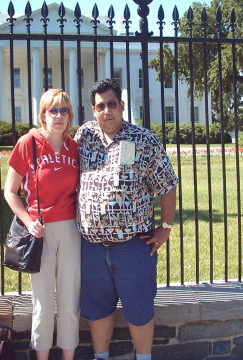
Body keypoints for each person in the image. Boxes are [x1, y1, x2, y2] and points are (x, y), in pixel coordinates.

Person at [74, 78, 178, 360]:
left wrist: (165, 229)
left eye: (111, 104)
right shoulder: (84, 136)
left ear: (121, 105)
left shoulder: (143, 139)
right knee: (97, 309)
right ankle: (101, 356)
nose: (106, 111)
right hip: (92, 248)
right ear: (93, 110)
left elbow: (167, 184)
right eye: (100, 106)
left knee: (139, 309)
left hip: (133, 247)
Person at [4, 89, 80, 360]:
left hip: (70, 228)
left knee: (70, 302)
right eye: (53, 110)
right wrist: (27, 220)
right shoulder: (29, 143)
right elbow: (10, 191)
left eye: (64, 111)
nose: (58, 116)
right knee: (44, 304)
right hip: (41, 230)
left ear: (70, 116)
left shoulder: (75, 146)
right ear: (43, 114)